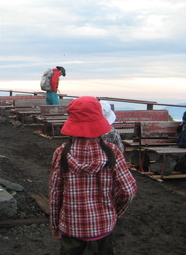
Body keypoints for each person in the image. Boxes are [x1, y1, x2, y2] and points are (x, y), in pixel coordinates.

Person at [49, 96, 137, 255]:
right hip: (103, 226)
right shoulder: (113, 152)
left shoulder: (61, 153)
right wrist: (115, 212)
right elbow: (128, 191)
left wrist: (55, 225)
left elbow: (55, 194)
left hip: (71, 226)